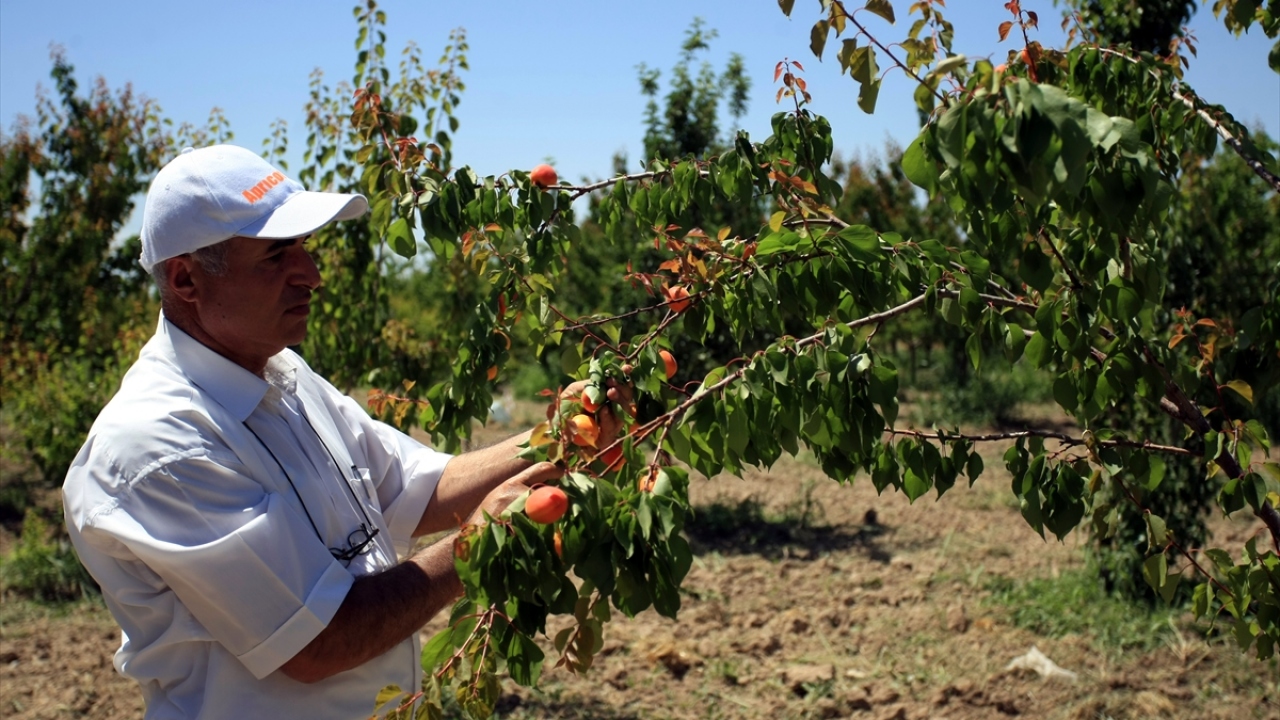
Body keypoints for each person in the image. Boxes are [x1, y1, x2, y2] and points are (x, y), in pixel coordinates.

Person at [62, 144, 622, 719]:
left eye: (304, 247)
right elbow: (315, 643)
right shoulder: (160, 447)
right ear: (186, 280)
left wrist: (559, 432)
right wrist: (474, 547)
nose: (312, 275)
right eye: (277, 256)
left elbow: (416, 489)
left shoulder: (282, 374)